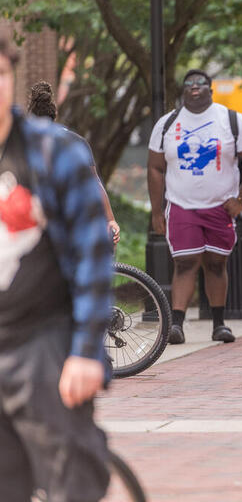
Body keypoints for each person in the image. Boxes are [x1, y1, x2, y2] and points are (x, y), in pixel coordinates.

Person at [0, 36, 114, 500]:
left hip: (44, 342)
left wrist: (86, 351)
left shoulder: (52, 152)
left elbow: (92, 255)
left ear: (11, 77)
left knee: (70, 477)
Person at [148, 69, 242, 345]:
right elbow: (155, 167)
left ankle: (219, 324)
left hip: (220, 207)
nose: (194, 87)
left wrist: (241, 200)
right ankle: (176, 325)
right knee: (185, 263)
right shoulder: (167, 123)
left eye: (200, 83)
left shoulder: (231, 120)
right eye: (189, 83)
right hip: (181, 206)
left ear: (210, 89)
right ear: (183, 90)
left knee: (215, 263)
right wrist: (156, 210)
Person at [26, 80, 120, 244]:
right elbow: (93, 182)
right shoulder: (76, 141)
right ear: (54, 114)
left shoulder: (22, 141)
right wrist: (110, 219)